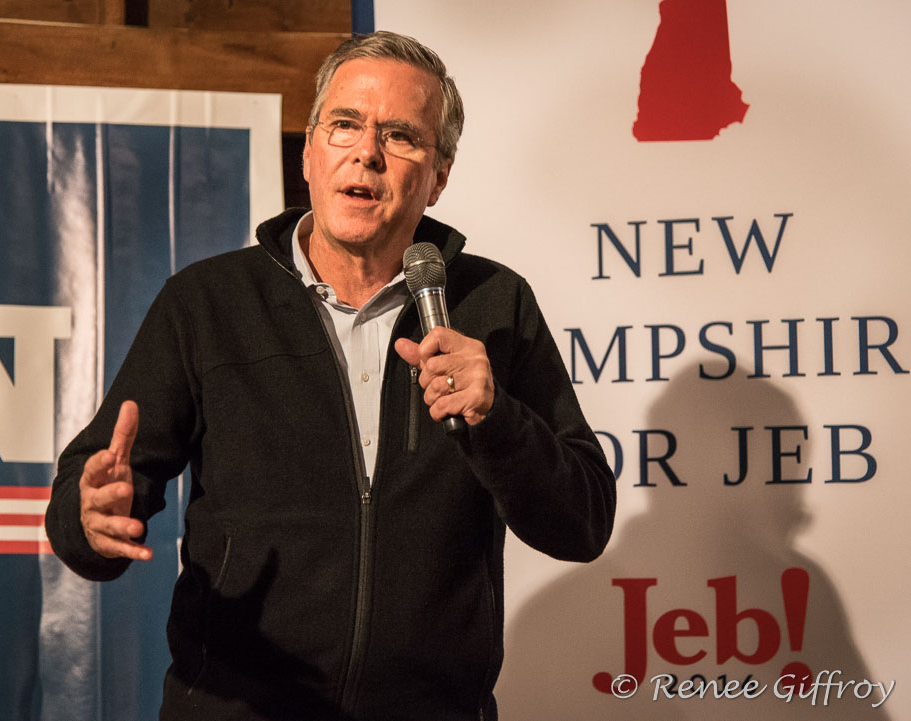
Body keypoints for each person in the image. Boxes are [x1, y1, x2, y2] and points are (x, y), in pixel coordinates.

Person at [46, 30, 615, 721]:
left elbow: (583, 522)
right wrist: (86, 516)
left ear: (438, 175)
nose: (367, 152)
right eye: (345, 124)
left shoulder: (494, 305)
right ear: (311, 152)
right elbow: (99, 494)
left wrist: (499, 420)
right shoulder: (207, 303)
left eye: (401, 135)